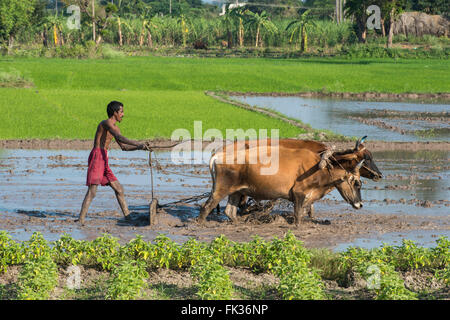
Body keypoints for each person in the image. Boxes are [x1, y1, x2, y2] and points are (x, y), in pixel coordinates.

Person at [76, 101, 150, 226]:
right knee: (92, 191)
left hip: (104, 158)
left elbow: (124, 147)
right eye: (121, 112)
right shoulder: (106, 123)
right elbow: (120, 138)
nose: (123, 114)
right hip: (97, 156)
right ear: (115, 112)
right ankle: (80, 220)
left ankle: (128, 217)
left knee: (119, 189)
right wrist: (138, 143)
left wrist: (140, 148)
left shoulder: (116, 127)